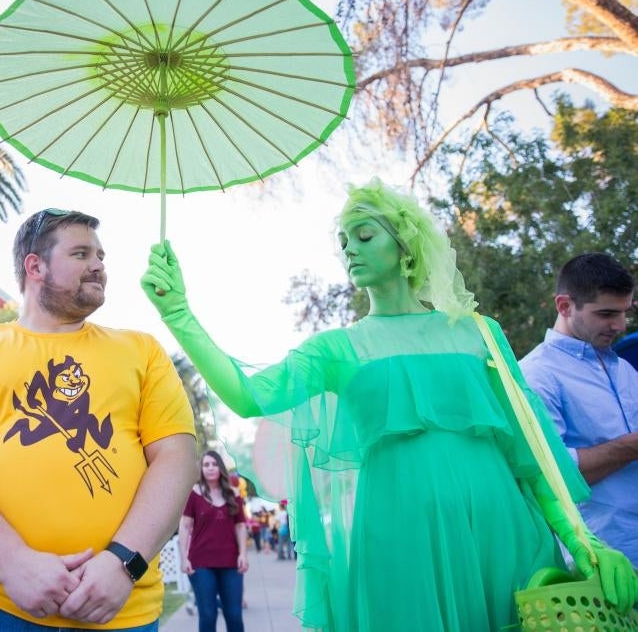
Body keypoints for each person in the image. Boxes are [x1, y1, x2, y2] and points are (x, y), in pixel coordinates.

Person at [141, 179, 638, 631]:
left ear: (406, 247)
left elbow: (531, 456)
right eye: (343, 242)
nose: (348, 250)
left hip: (499, 530)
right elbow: (249, 396)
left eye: (363, 236)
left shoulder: (478, 332)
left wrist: (583, 543)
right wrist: (180, 315)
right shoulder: (335, 348)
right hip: (398, 536)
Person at [0, 208, 198, 630]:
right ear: (35, 266)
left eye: (101, 255)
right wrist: (12, 564)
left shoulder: (143, 351)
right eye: (81, 253)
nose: (99, 265)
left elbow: (178, 460)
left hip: (121, 609)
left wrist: (123, 564)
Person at [520, 253, 638, 566]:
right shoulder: (536, 375)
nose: (620, 325)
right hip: (602, 565)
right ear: (564, 306)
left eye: (625, 312)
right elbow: (552, 477)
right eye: (607, 314)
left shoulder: (625, 370)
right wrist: (632, 446)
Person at [178, 450, 248, 632]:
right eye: (206, 464)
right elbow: (185, 526)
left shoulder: (234, 495)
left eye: (214, 464)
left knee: (234, 614)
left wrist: (243, 554)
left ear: (220, 468)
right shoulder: (194, 494)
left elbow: (240, 526)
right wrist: (184, 558)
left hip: (231, 561)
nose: (210, 468)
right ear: (201, 469)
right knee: (208, 614)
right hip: (201, 563)